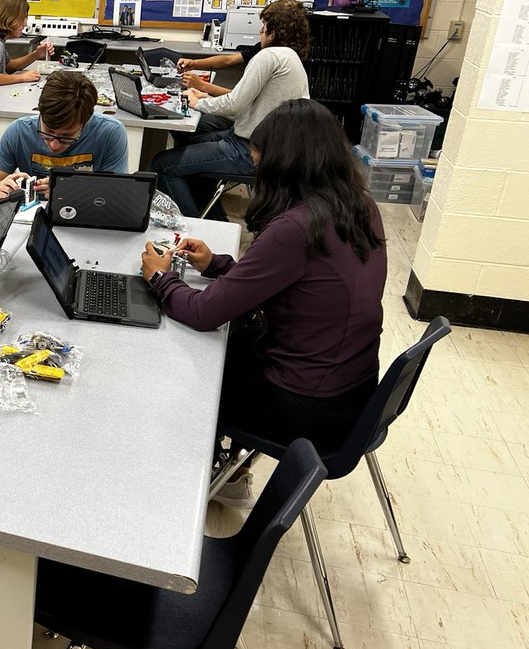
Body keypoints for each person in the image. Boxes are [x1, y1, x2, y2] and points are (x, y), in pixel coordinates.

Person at [140, 99, 387, 507]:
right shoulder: (358, 206)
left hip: (306, 406)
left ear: (286, 166)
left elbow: (203, 314)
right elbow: (299, 282)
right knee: (229, 344)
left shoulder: (296, 227)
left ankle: (186, 490)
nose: (257, 175)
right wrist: (218, 264)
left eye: (261, 165)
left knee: (186, 372)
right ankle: (230, 468)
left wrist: (159, 277)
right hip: (351, 391)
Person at [150, 0, 310, 219]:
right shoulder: (290, 57)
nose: (261, 31)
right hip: (271, 147)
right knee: (188, 144)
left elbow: (235, 104)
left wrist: (198, 102)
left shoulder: (268, 56)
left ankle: (195, 228)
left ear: (273, 32)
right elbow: (249, 102)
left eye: (264, 26)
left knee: (163, 164)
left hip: (252, 149)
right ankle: (215, 221)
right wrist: (205, 95)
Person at [0, 70, 128, 199]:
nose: (54, 145)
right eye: (47, 133)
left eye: (66, 137)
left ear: (86, 122)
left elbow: (117, 195)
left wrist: (72, 192)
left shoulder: (110, 133)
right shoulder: (19, 132)